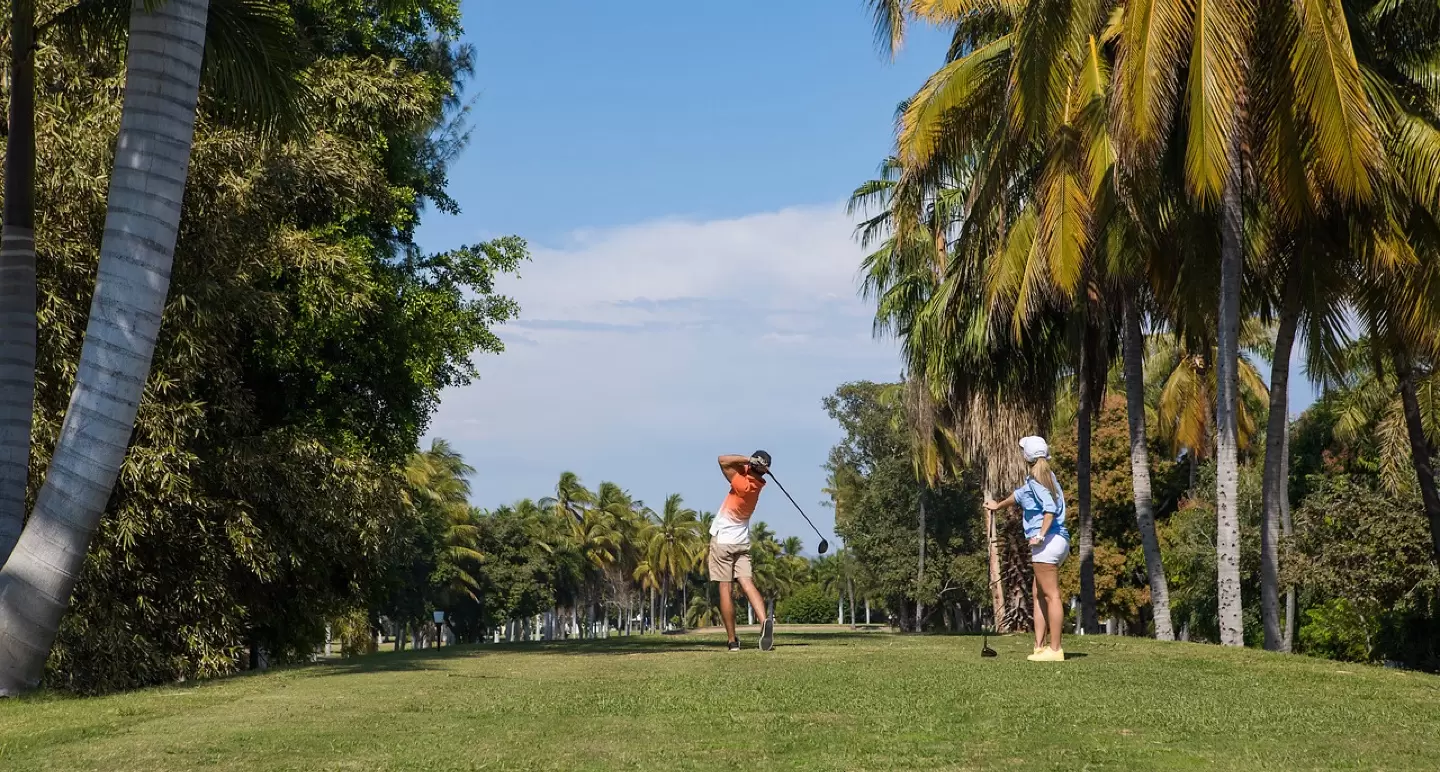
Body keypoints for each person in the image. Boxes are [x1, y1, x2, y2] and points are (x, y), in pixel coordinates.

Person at [984, 435, 1070, 662]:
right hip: (1059, 541)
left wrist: (1040, 536)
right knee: (1038, 593)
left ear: (1026, 457)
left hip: (1047, 541)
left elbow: (1049, 510)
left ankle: (1055, 650)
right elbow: (1018, 496)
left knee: (1051, 595)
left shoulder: (1038, 481)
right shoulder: (1045, 477)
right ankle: (1040, 646)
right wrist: (998, 505)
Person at [708, 451, 775, 652]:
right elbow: (738, 467)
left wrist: (748, 459)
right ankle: (764, 621)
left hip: (723, 542)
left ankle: (732, 641)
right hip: (742, 543)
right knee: (747, 582)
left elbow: (722, 460)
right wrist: (754, 465)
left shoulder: (743, 485)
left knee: (725, 589)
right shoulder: (757, 484)